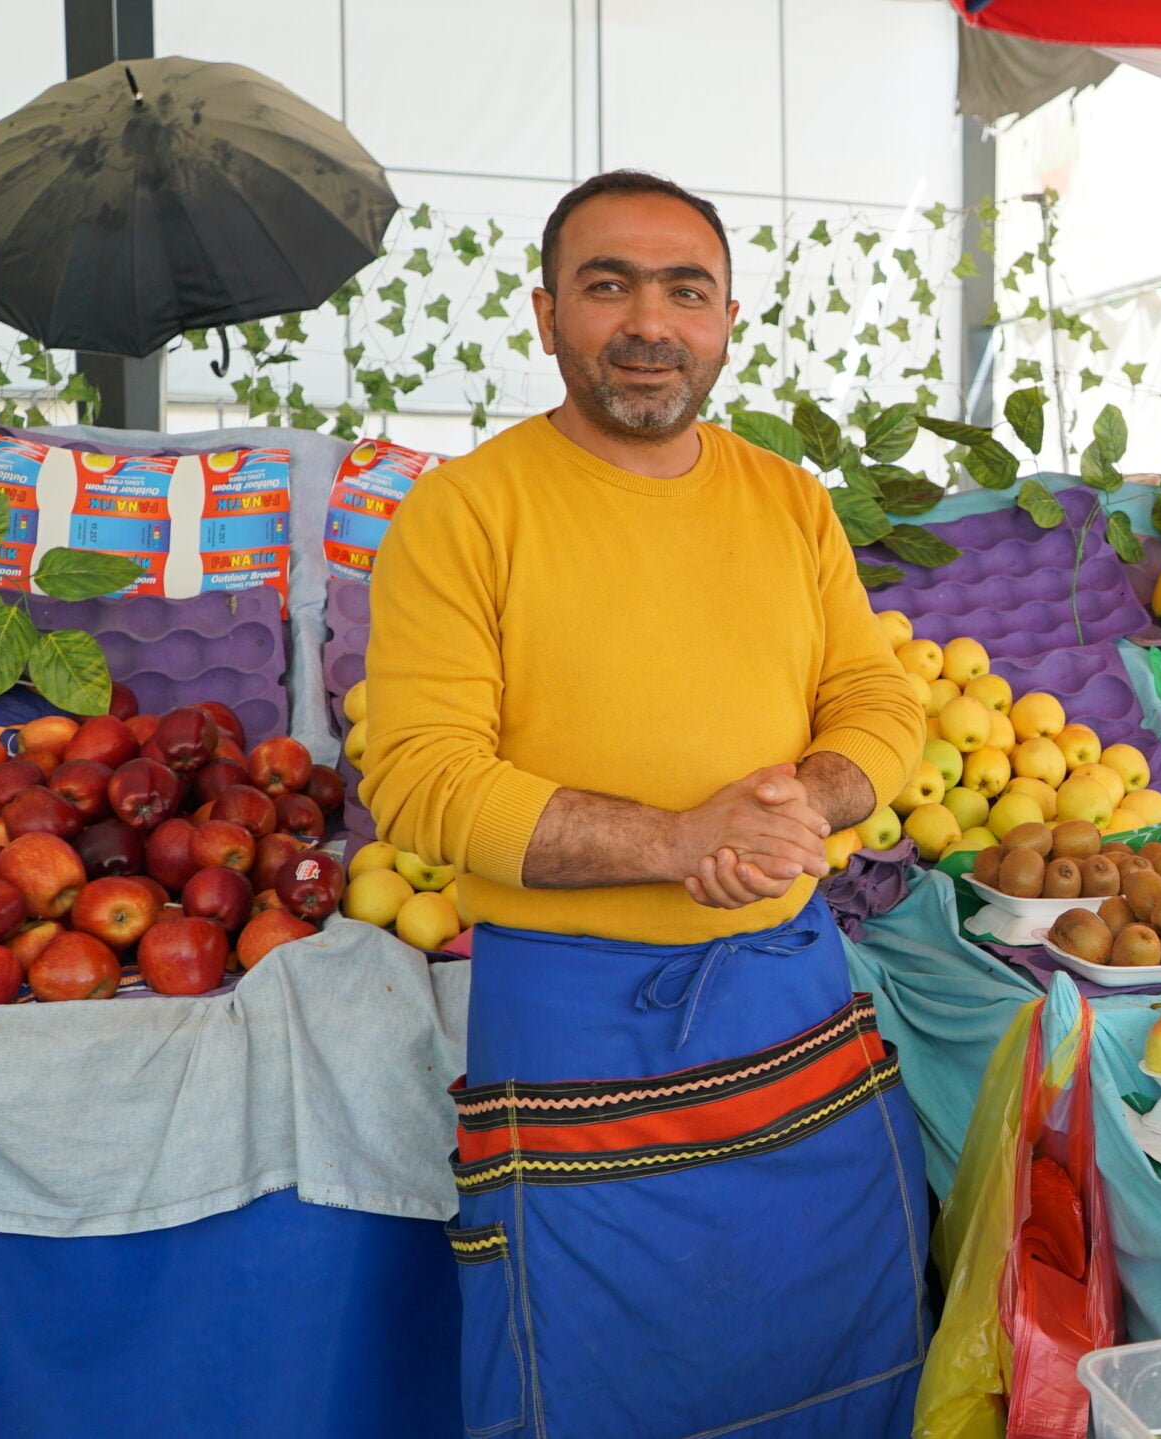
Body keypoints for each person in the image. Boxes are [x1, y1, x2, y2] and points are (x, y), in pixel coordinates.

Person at [361, 169, 931, 1438]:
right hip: (572, 1017)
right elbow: (420, 773)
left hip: (793, 991)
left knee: (833, 1356)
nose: (647, 321)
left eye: (685, 289)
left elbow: (881, 703)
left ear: (727, 319)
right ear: (546, 314)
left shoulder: (785, 497)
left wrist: (804, 805)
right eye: (606, 284)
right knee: (595, 1383)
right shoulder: (466, 511)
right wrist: (680, 841)